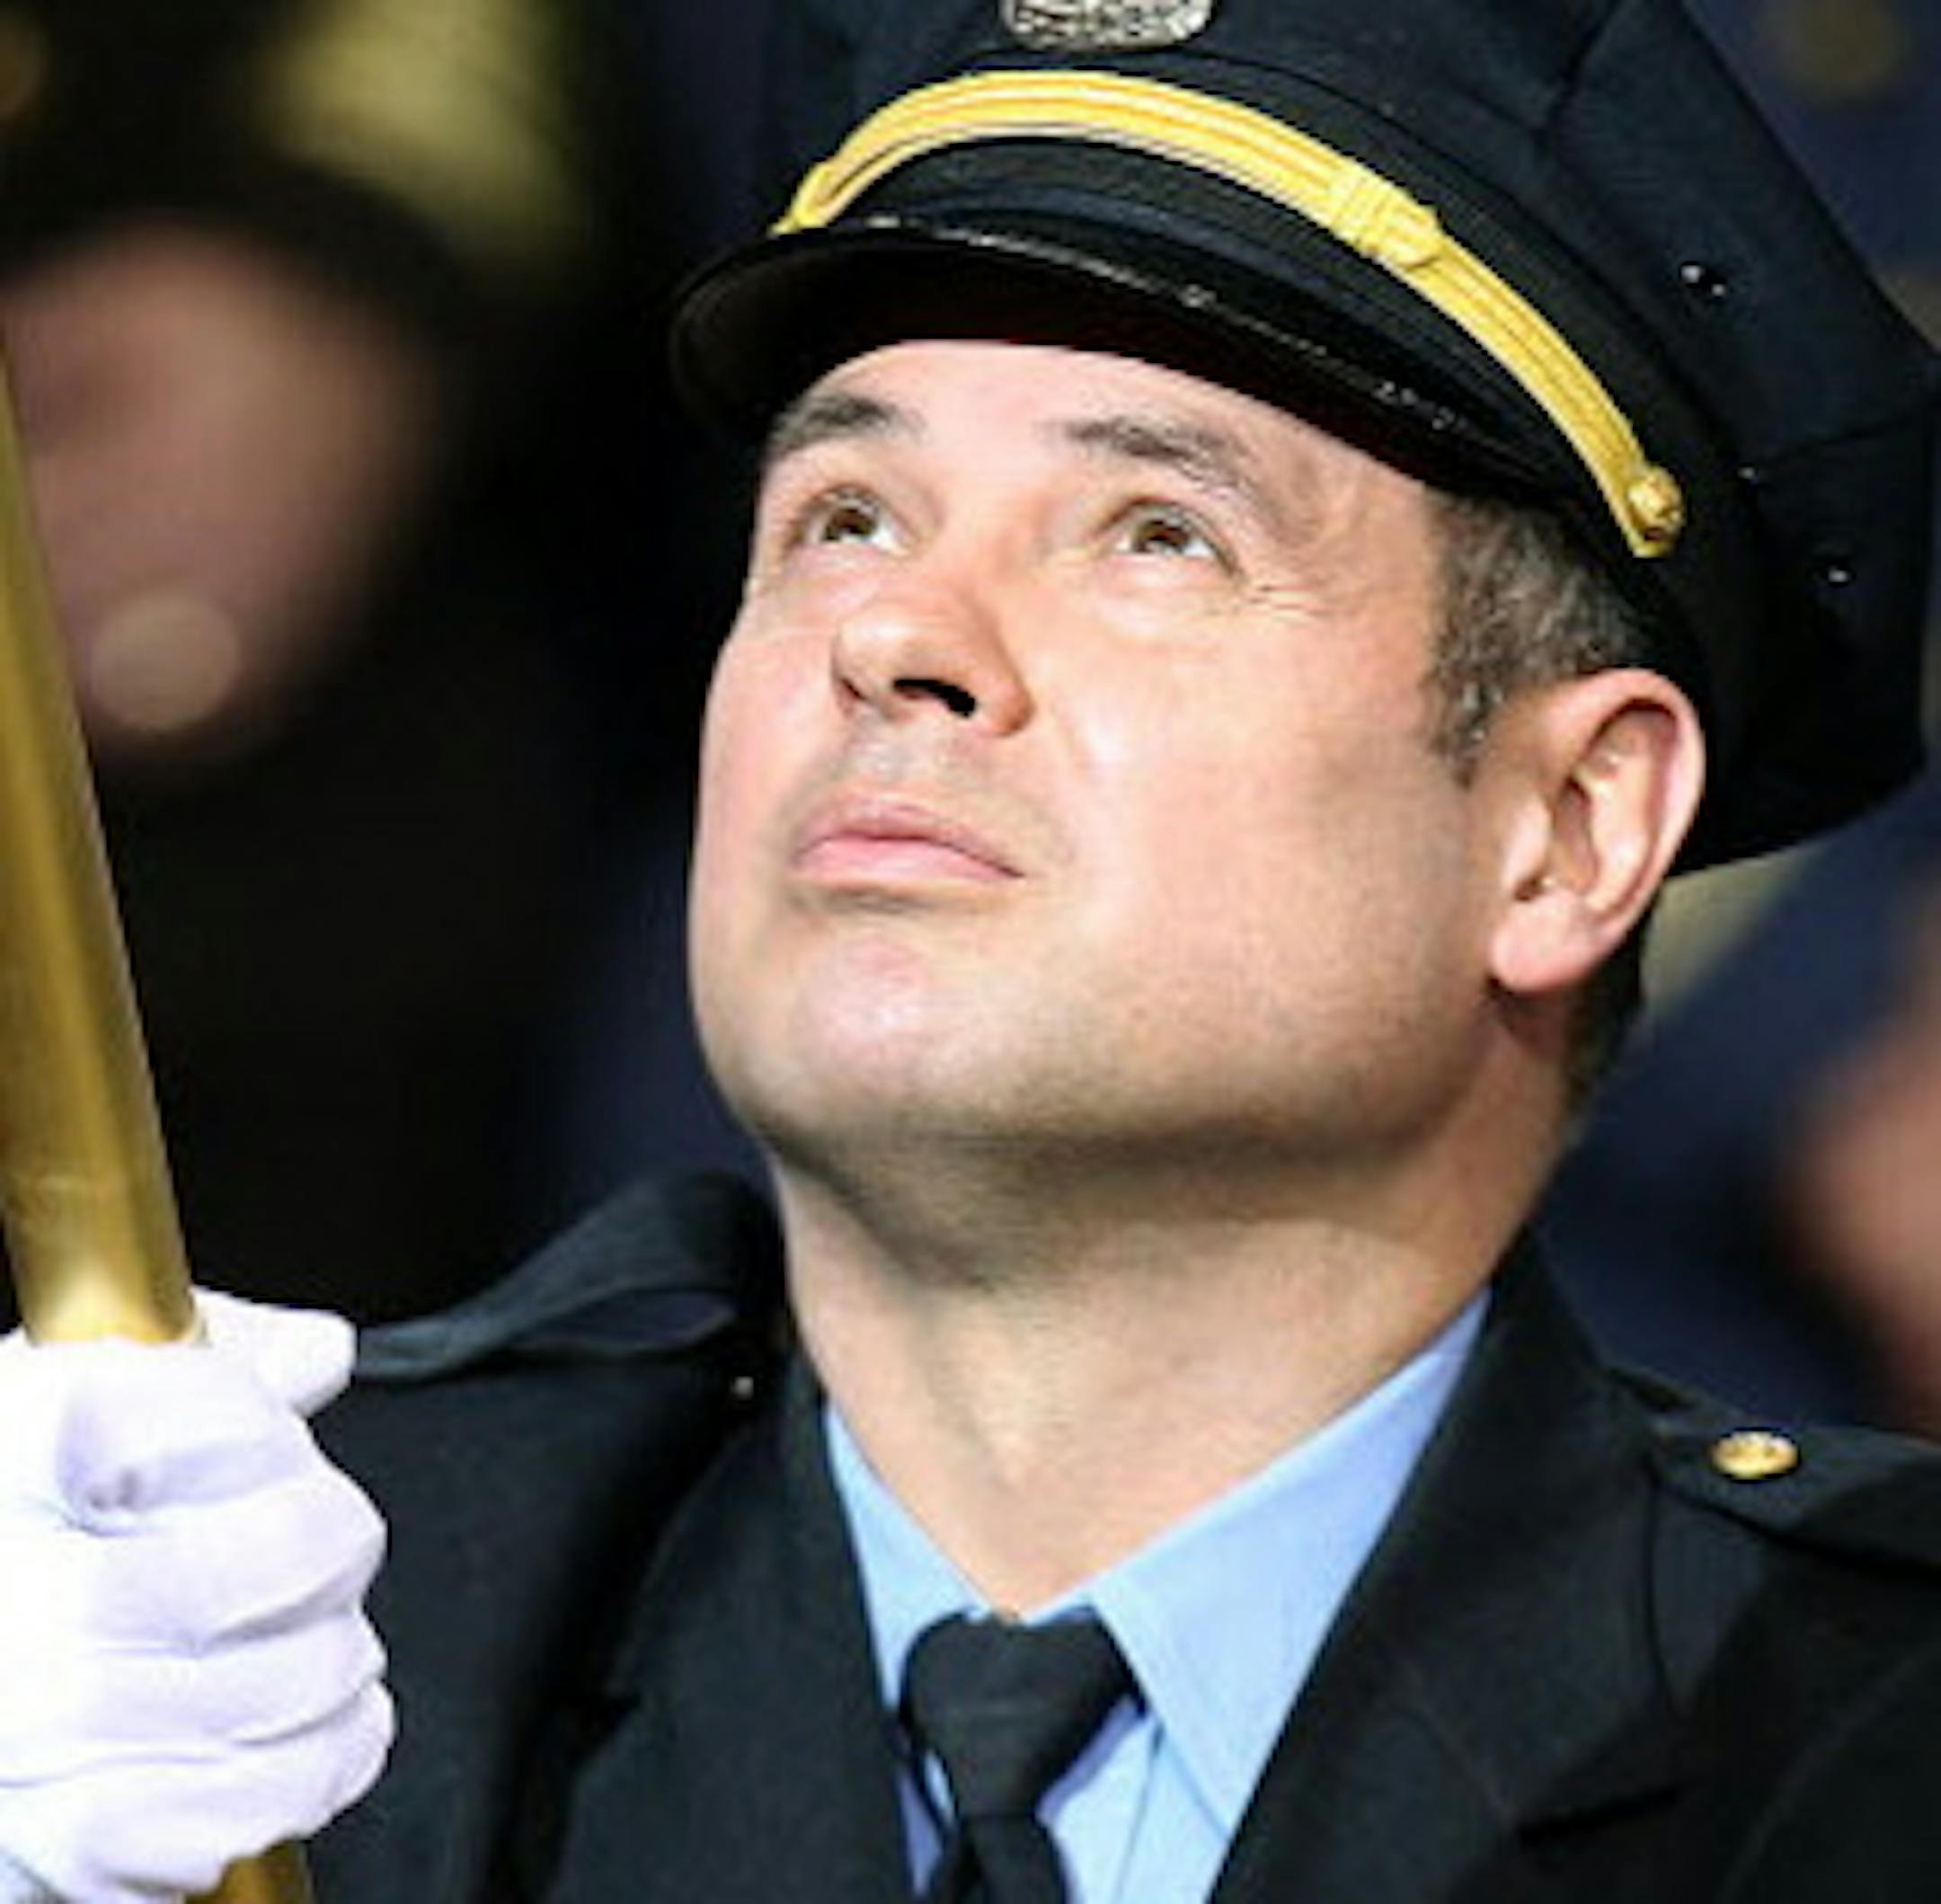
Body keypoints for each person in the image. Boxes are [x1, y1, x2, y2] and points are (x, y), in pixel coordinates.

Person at [3, 0, 1940, 1900]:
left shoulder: (1861, 1742)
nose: (898, 633)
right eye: (843, 514)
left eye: (1154, 534)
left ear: (1571, 829)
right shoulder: (250, 1632)